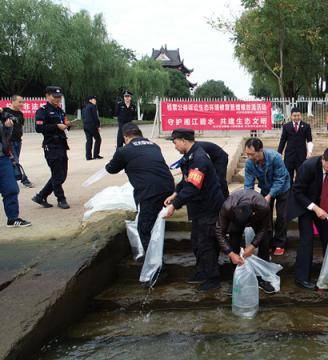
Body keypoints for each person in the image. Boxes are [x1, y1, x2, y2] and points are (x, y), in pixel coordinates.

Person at [164, 128, 225, 292]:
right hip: (199, 208)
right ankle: (202, 271)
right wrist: (176, 192)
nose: (175, 146)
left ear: (183, 140)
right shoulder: (189, 156)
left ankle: (213, 279)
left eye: (175, 142)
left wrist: (174, 205)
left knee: (206, 243)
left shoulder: (199, 159)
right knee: (197, 241)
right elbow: (186, 180)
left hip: (209, 208)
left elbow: (192, 186)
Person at [105, 123, 174, 251]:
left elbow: (111, 169)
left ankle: (156, 268)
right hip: (169, 188)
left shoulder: (124, 151)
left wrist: (117, 153)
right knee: (155, 221)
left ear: (125, 137)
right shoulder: (154, 146)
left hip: (149, 192)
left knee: (144, 229)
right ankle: (158, 255)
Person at [287, 146, 328, 290]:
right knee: (306, 240)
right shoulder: (308, 166)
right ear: (323, 160)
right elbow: (297, 191)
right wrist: (315, 208)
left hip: (324, 207)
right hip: (305, 205)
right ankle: (302, 278)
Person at [215, 189, 276, 293]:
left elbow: (264, 228)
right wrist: (230, 253)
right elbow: (219, 232)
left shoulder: (263, 206)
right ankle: (236, 278)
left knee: (265, 242)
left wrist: (253, 245)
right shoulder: (227, 207)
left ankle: (262, 279)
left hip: (258, 220)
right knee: (233, 244)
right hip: (235, 221)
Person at [244, 138, 290, 256]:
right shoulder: (249, 163)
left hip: (282, 188)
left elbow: (280, 179)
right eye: (247, 154)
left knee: (282, 215)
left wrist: (270, 195)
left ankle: (280, 243)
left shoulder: (275, 158)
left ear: (260, 150)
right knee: (265, 216)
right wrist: (250, 199)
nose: (249, 157)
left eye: (252, 154)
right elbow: (248, 184)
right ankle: (267, 243)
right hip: (264, 188)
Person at [32, 86, 70, 210]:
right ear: (47, 96)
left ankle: (41, 196)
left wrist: (67, 125)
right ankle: (61, 199)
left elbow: (64, 123)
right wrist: (56, 126)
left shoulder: (60, 110)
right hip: (51, 146)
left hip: (62, 144)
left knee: (61, 175)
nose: (58, 99)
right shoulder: (42, 111)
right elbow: (39, 128)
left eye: (59, 97)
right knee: (58, 175)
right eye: (55, 97)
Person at [0, 109, 31, 227]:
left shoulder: (2, 116)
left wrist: (7, 127)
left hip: (3, 157)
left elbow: (6, 137)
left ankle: (12, 219)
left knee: (11, 188)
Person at [2, 95, 33, 187]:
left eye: (22, 102)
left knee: (13, 161)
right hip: (8, 140)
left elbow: (21, 126)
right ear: (13, 101)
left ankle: (10, 180)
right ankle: (25, 180)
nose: (22, 104)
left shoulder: (20, 114)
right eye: (20, 102)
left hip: (18, 141)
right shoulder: (5, 111)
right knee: (15, 160)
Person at [277, 106, 313, 186]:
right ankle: (289, 194)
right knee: (288, 176)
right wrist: (279, 152)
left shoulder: (306, 126)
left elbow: (309, 140)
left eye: (298, 115)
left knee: (301, 175)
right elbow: (283, 140)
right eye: (294, 115)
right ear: (291, 116)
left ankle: (299, 193)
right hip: (289, 155)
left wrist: (309, 152)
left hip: (301, 155)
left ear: (301, 115)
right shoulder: (286, 126)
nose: (296, 117)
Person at [82, 95, 102, 161]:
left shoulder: (84, 107)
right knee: (98, 139)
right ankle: (96, 155)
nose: (95, 101)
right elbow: (95, 117)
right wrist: (98, 126)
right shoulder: (93, 107)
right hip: (92, 126)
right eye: (94, 99)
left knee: (89, 141)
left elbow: (83, 117)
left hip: (85, 126)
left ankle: (88, 156)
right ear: (90, 100)